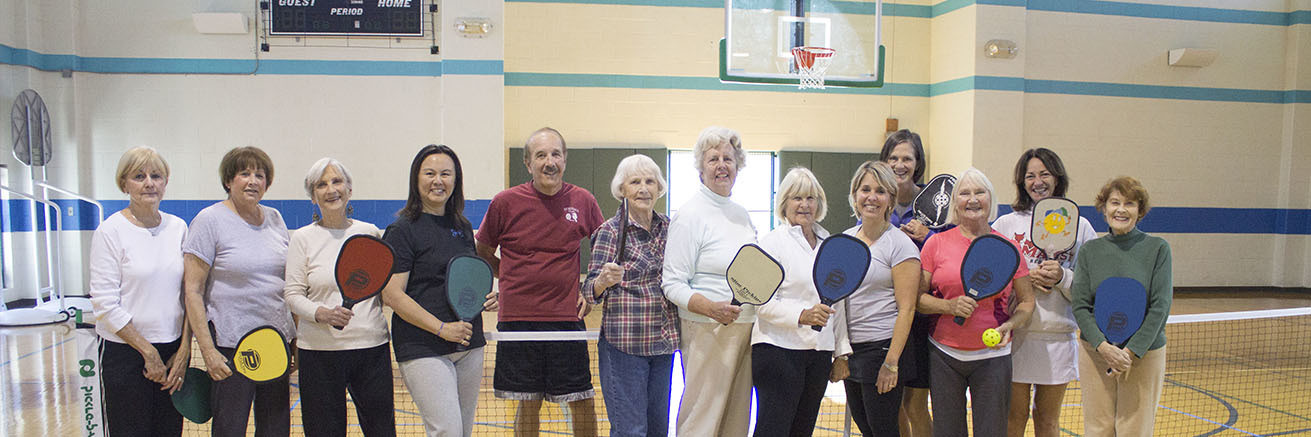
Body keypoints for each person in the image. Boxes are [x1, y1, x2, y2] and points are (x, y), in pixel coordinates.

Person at [476, 128, 603, 436]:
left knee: (582, 400)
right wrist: (509, 277)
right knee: (527, 402)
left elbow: (605, 248)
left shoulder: (583, 200)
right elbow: (482, 251)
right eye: (541, 155)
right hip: (518, 321)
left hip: (566, 320)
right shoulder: (505, 202)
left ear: (565, 159)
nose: (549, 162)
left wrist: (589, 290)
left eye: (556, 154)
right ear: (528, 163)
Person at [382, 145, 498, 437]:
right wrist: (442, 328)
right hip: (424, 347)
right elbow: (392, 294)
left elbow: (465, 279)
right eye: (430, 173)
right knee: (447, 430)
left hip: (468, 345)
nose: (438, 181)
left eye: (446, 174)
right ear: (416, 179)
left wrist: (486, 297)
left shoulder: (462, 226)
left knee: (463, 431)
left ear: (455, 180)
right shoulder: (402, 230)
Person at [182, 146, 294, 436]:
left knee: (275, 430)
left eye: (260, 175)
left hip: (275, 343)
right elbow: (192, 291)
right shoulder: (209, 220)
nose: (253, 181)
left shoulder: (275, 218)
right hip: (230, 349)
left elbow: (286, 284)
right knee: (229, 429)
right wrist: (208, 351)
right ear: (228, 180)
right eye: (244, 173)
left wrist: (294, 339)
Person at [916, 168, 1035, 437]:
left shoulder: (1008, 248)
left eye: (980, 192)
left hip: (993, 357)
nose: (972, 199)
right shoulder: (935, 244)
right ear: (955, 202)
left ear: (990, 199)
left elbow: (1027, 301)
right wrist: (948, 307)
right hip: (943, 354)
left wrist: (1010, 325)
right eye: (964, 193)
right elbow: (918, 299)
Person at [283, 158, 395, 437]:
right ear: (313, 196)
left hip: (371, 348)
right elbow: (292, 294)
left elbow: (383, 289)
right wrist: (321, 313)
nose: (331, 189)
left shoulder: (369, 233)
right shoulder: (302, 238)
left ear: (349, 189)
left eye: (337, 181)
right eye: (321, 185)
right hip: (318, 353)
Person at [992, 149, 1096, 437]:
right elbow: (991, 282)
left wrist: (1063, 277)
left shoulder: (1081, 227)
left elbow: (1091, 290)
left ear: (1057, 178)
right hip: (1015, 338)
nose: (1037, 182)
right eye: (1030, 176)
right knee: (1013, 417)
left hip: (1057, 338)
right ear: (1021, 182)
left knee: (1048, 419)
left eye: (1044, 174)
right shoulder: (1005, 225)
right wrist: (1024, 280)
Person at [661, 126, 757, 436]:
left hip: (745, 327)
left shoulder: (742, 215)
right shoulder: (690, 215)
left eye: (728, 158)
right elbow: (672, 283)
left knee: (735, 421)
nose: (721, 165)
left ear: (738, 166)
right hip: (706, 328)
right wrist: (711, 309)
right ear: (701, 168)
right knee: (701, 419)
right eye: (713, 159)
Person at [88, 146, 190, 437]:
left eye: (156, 176)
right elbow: (104, 304)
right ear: (124, 184)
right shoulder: (110, 231)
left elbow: (190, 295)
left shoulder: (178, 228)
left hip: (171, 353)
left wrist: (183, 352)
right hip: (126, 354)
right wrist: (148, 352)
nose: (149, 183)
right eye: (139, 176)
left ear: (165, 182)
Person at [582, 154, 678, 437]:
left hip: (663, 345)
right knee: (631, 431)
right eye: (635, 182)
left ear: (659, 188)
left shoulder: (670, 228)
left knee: (658, 430)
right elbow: (589, 292)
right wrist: (602, 281)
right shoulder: (610, 232)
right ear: (622, 189)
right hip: (624, 347)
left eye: (650, 181)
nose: (643, 188)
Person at [751, 167, 851, 437]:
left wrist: (841, 353)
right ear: (784, 203)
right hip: (777, 351)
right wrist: (802, 315)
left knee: (803, 431)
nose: (804, 205)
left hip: (818, 355)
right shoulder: (771, 243)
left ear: (819, 203)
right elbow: (761, 303)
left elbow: (839, 303)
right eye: (797, 198)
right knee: (773, 431)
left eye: (810, 198)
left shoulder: (830, 243)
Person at [1071, 176, 1172, 437]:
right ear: (1104, 208)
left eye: (1129, 203)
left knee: (1135, 429)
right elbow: (1080, 306)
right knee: (1098, 429)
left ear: (1140, 210)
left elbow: (1160, 307)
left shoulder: (1158, 249)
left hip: (1143, 354)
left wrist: (1129, 352)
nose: (1121, 210)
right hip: (1096, 352)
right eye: (1115, 202)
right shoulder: (1090, 251)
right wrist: (1104, 347)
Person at [835, 161, 922, 437]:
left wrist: (891, 363)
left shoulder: (900, 245)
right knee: (866, 428)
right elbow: (838, 300)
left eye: (880, 191)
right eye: (865, 189)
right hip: (853, 351)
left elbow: (907, 309)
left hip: (883, 350)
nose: (872, 197)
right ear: (855, 195)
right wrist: (840, 352)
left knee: (883, 430)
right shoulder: (845, 240)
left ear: (890, 199)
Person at [879, 129, 938, 437]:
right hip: (885, 317)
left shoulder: (936, 206)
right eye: (893, 158)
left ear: (918, 163)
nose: (899, 165)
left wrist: (929, 237)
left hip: (922, 321)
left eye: (907, 158)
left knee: (915, 405)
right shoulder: (875, 202)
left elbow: (953, 250)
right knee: (894, 406)